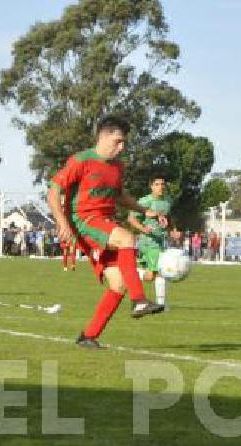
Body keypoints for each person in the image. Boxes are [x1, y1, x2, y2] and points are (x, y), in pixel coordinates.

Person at [45, 115, 167, 349]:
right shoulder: (80, 161)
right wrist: (62, 222)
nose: (121, 148)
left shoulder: (117, 167)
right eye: (117, 142)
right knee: (128, 238)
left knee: (118, 283)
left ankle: (88, 336)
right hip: (84, 221)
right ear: (103, 136)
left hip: (104, 222)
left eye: (124, 143)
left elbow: (120, 196)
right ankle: (139, 300)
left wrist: (145, 210)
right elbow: (53, 191)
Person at [128, 176, 173, 308]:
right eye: (157, 184)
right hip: (149, 242)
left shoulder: (167, 201)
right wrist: (143, 228)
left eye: (163, 184)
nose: (161, 187)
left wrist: (173, 229)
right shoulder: (145, 201)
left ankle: (130, 274)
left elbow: (168, 217)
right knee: (160, 272)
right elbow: (131, 218)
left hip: (161, 241)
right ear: (151, 186)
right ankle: (161, 305)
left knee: (150, 275)